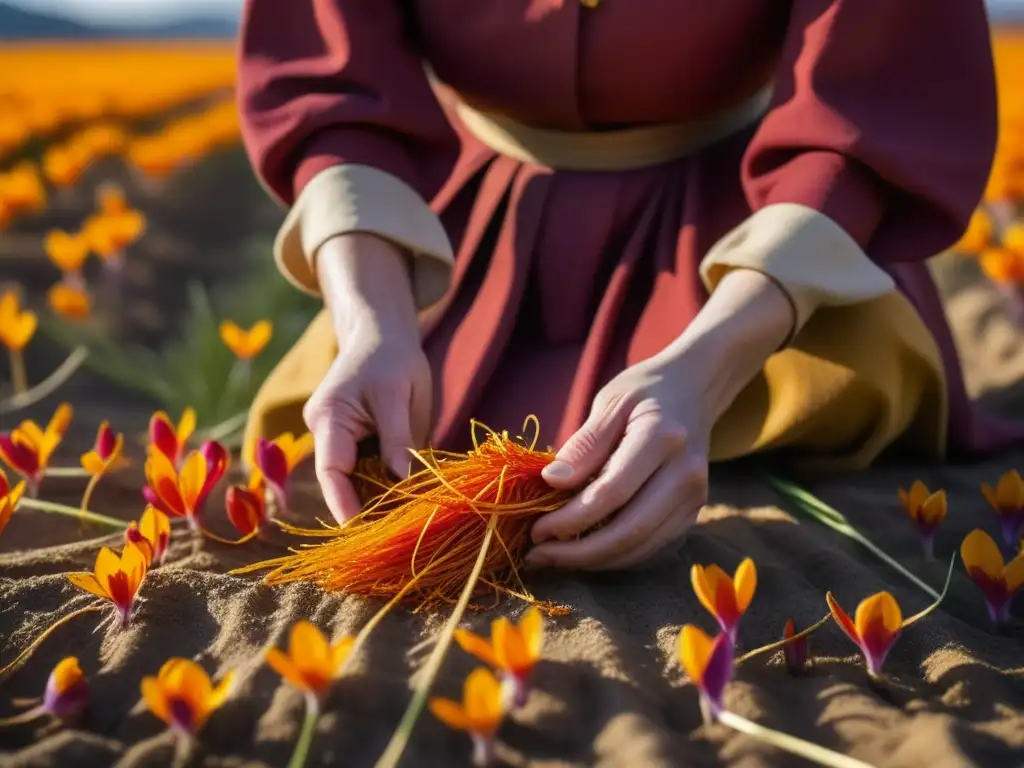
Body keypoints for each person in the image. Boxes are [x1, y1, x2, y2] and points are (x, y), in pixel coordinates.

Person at [236, 0, 1021, 571]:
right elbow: (330, 82)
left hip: (755, 235)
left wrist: (707, 370)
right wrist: (376, 320)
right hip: (472, 233)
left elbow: (872, 94)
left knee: (830, 396)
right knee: (332, 432)